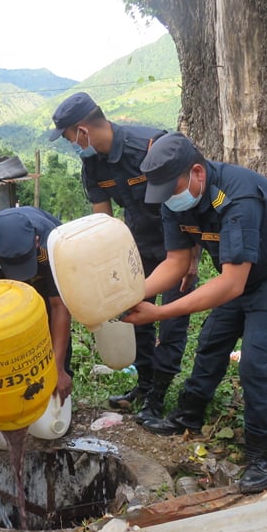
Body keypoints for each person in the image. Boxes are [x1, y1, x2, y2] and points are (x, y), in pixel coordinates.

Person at [122, 132, 267, 495]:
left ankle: (261, 456)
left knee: (256, 360)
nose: (168, 199)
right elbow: (175, 262)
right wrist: (132, 296)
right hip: (243, 271)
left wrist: (161, 312)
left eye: (172, 189)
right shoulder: (175, 200)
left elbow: (231, 284)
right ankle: (189, 414)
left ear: (197, 172)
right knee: (213, 339)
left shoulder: (237, 198)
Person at [49, 92, 198, 423]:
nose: (71, 143)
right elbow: (102, 223)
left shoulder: (148, 146)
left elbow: (192, 201)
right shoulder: (92, 165)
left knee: (171, 320)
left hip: (178, 246)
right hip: (134, 248)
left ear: (82, 130)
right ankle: (143, 387)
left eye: (69, 136)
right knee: (135, 315)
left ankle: (158, 396)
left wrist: (194, 257)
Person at [0, 207, 73, 401]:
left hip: (44, 277)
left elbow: (60, 307)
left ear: (36, 241)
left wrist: (58, 368)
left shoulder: (53, 243)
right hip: (2, 292)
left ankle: (60, 388)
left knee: (50, 329)